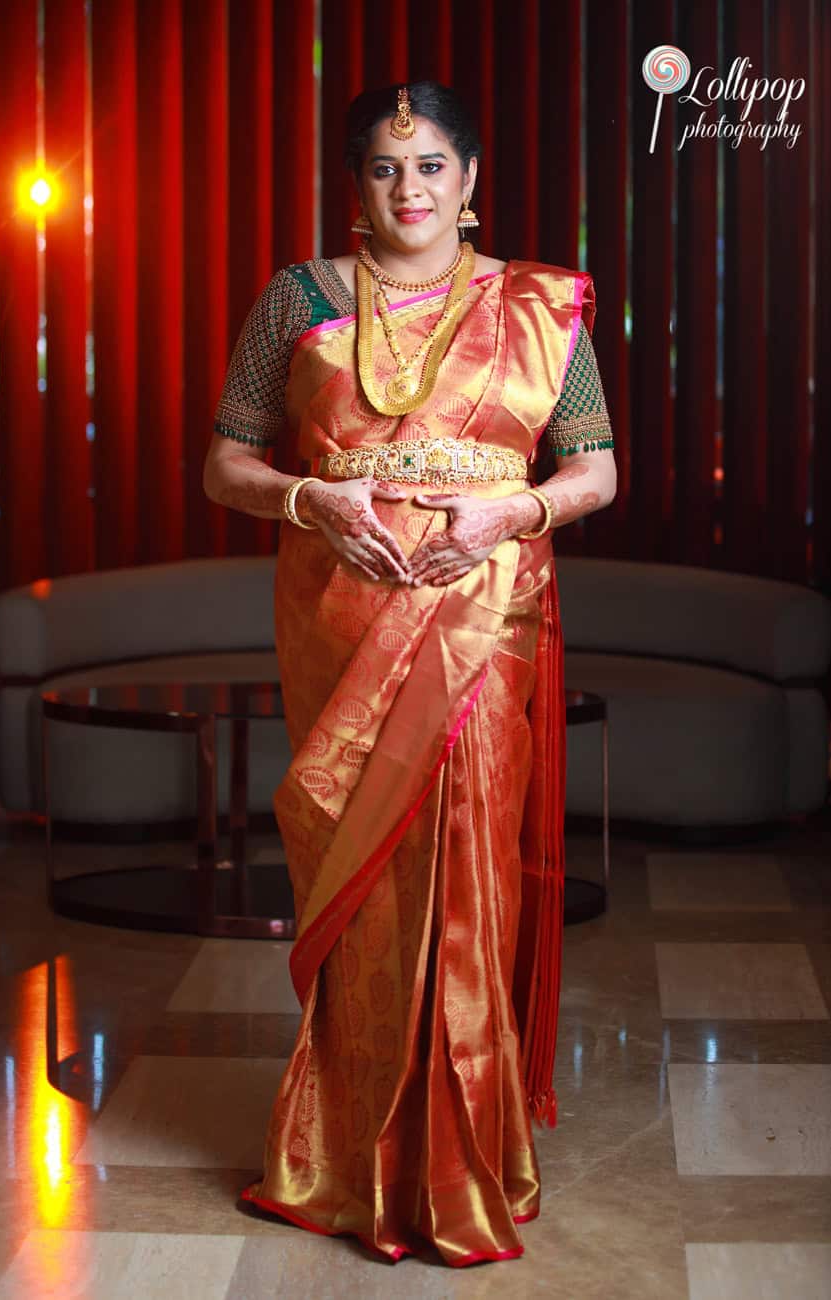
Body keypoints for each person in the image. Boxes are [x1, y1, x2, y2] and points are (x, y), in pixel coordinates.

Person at [203, 81, 616, 1268]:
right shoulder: (298, 298)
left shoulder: (541, 305)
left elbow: (595, 468)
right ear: (357, 185)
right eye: (386, 170)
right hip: (339, 610)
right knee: (363, 876)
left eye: (430, 165)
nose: (410, 190)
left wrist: (513, 510)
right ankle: (344, 1163)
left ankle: (459, 1163)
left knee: (468, 870)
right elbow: (226, 460)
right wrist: (307, 496)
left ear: (470, 178)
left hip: (485, 613)